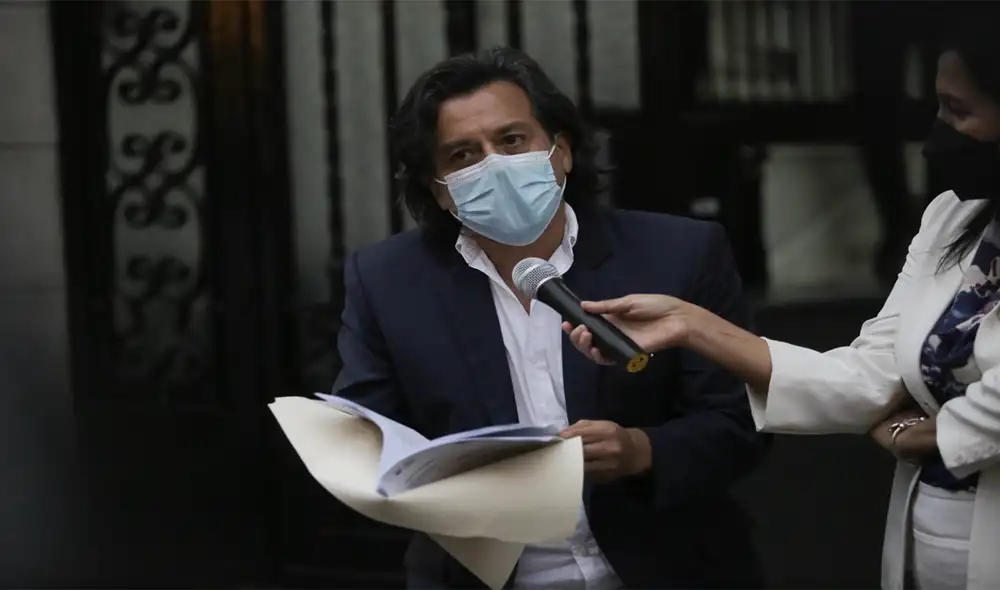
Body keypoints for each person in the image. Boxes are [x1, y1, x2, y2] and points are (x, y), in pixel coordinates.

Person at [565, 25, 1000, 590]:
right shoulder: (953, 217)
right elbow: (870, 375)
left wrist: (940, 433)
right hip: (930, 544)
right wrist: (689, 324)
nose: (938, 133)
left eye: (957, 110)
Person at [332, 47, 769, 589]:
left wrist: (641, 451)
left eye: (511, 141)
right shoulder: (386, 282)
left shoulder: (678, 255)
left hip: (667, 567)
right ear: (436, 189)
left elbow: (741, 424)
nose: (492, 164)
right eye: (463, 155)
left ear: (560, 150)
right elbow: (367, 444)